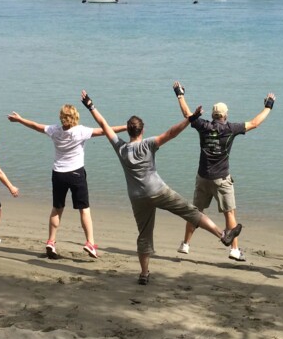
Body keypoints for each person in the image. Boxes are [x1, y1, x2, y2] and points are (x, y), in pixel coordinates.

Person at [80, 90, 242, 285]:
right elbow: (171, 133)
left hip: (137, 197)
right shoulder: (149, 144)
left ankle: (144, 273)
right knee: (191, 212)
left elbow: (104, 125)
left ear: (129, 131)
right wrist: (191, 119)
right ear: (142, 130)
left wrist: (91, 106)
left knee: (144, 234)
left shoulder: (121, 148)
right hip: (158, 191)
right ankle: (222, 235)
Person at [172, 81, 275, 261]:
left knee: (196, 212)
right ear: (225, 115)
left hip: (203, 177)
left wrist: (180, 94)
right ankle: (234, 250)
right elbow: (255, 123)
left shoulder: (203, 126)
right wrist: (269, 106)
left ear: (213, 115)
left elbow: (188, 114)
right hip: (221, 179)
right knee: (230, 213)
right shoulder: (230, 129)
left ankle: (186, 244)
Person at [8, 105, 125, 259]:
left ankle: (51, 241)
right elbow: (105, 130)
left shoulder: (54, 130)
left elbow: (36, 126)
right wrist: (126, 127)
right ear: (76, 116)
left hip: (58, 174)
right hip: (77, 174)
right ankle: (90, 243)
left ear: (61, 117)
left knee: (57, 208)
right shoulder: (81, 131)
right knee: (84, 210)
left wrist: (20, 119)